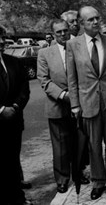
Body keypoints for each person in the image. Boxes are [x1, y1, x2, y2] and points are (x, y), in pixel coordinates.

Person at [66, 6, 106, 200]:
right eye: (90, 19)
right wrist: (75, 105)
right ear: (82, 23)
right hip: (88, 102)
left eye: (97, 18)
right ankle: (98, 182)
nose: (95, 22)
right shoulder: (73, 45)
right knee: (93, 145)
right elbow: (72, 78)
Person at [37, 20, 89, 194]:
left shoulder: (78, 49)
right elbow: (44, 80)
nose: (62, 35)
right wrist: (65, 96)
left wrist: (79, 98)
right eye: (58, 32)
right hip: (57, 105)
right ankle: (62, 179)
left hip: (81, 105)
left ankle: (78, 173)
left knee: (80, 143)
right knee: (60, 146)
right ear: (53, 33)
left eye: (65, 31)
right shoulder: (45, 53)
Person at [0, 25, 32, 205]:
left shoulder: (15, 62)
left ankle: (18, 199)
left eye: (3, 37)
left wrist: (15, 106)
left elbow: (24, 89)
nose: (1, 41)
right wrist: (1, 110)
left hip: (14, 122)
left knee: (13, 163)